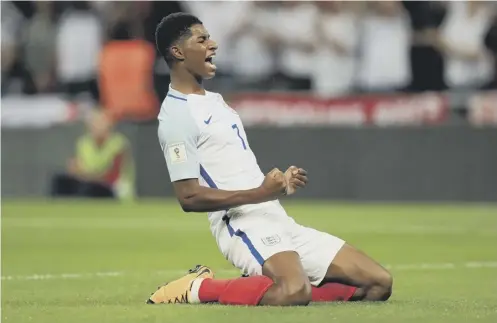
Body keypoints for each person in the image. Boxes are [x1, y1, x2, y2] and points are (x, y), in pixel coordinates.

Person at [148, 13, 392, 306]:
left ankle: (265, 285)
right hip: (241, 223)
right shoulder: (176, 116)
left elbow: (231, 167)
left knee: (378, 284)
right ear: (177, 52)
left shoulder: (212, 100)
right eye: (202, 40)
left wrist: (278, 185)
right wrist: (260, 193)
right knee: (293, 292)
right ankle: (201, 288)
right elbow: (188, 197)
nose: (213, 44)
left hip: (275, 216)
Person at [50, 110, 135, 201]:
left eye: (100, 123)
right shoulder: (83, 143)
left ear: (109, 125)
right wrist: (77, 171)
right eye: (94, 123)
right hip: (89, 182)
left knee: (93, 189)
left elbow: (113, 175)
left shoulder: (119, 143)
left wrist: (88, 176)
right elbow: (78, 167)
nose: (96, 127)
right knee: (60, 181)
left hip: (111, 186)